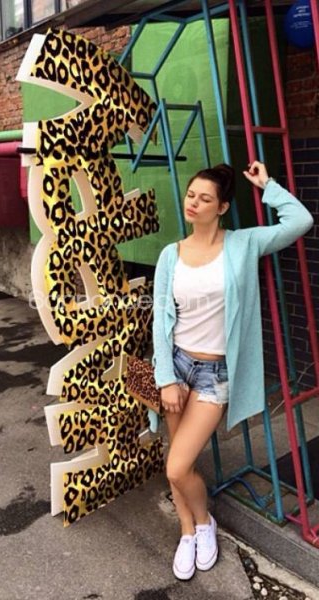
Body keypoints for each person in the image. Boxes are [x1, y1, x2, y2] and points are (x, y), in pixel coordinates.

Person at [152, 160, 313, 581]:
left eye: (205, 198)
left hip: (214, 374)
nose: (193, 203)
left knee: (177, 467)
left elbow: (301, 221)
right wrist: (165, 378)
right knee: (176, 461)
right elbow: (160, 320)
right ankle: (188, 531)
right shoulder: (171, 255)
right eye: (191, 195)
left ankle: (205, 522)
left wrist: (267, 184)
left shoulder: (243, 244)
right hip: (177, 368)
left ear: (222, 207)